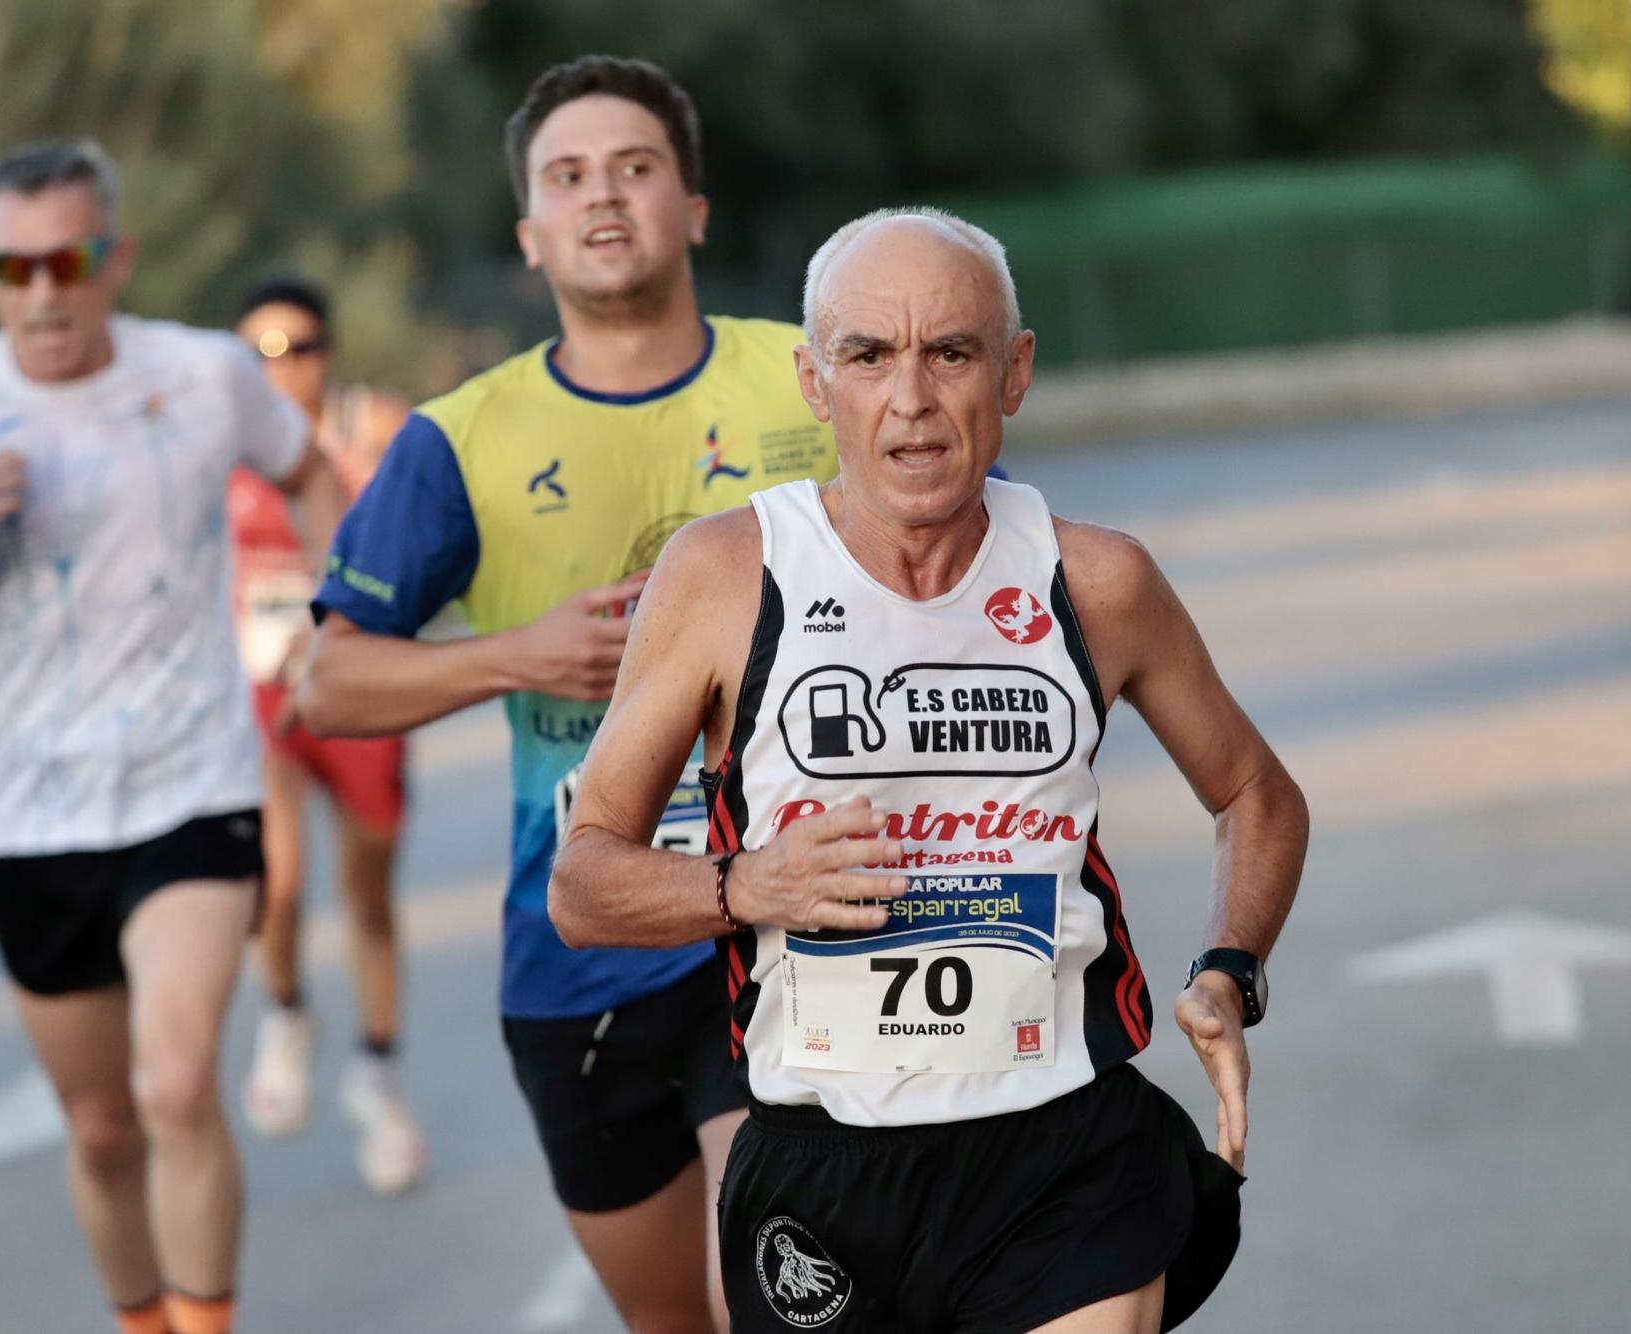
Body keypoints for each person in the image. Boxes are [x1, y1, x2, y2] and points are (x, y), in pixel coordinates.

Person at [547, 208, 1309, 1334]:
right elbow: (582, 882)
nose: (909, 395)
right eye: (867, 354)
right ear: (814, 381)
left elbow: (1256, 793)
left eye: (949, 351)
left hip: (1063, 1144)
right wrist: (745, 885)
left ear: (1014, 372)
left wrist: (1226, 971)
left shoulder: (1095, 579)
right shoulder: (724, 575)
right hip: (820, 1162)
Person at [297, 55, 840, 1334]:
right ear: (529, 233)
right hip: (578, 949)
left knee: (771, 1296)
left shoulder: (811, 380)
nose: (604, 198)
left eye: (636, 168)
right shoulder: (461, 438)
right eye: (568, 177)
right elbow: (327, 680)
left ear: (693, 207)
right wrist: (513, 654)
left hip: (783, 923)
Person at [0, 140, 341, 1334]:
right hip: (33, 815)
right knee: (103, 1126)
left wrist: (337, 615)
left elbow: (308, 471)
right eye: (15, 267)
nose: (43, 292)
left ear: (112, 256)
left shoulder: (205, 373)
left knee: (173, 1087)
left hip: (191, 784)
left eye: (68, 259)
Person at [224, 275, 428, 1194]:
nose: (282, 367)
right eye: (262, 352)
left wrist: (396, 458)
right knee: (278, 877)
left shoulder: (371, 437)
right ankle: (287, 1012)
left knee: (369, 893)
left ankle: (377, 1077)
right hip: (258, 696)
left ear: (328, 354)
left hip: (358, 692)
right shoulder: (216, 445)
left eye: (299, 347)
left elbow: (428, 555)